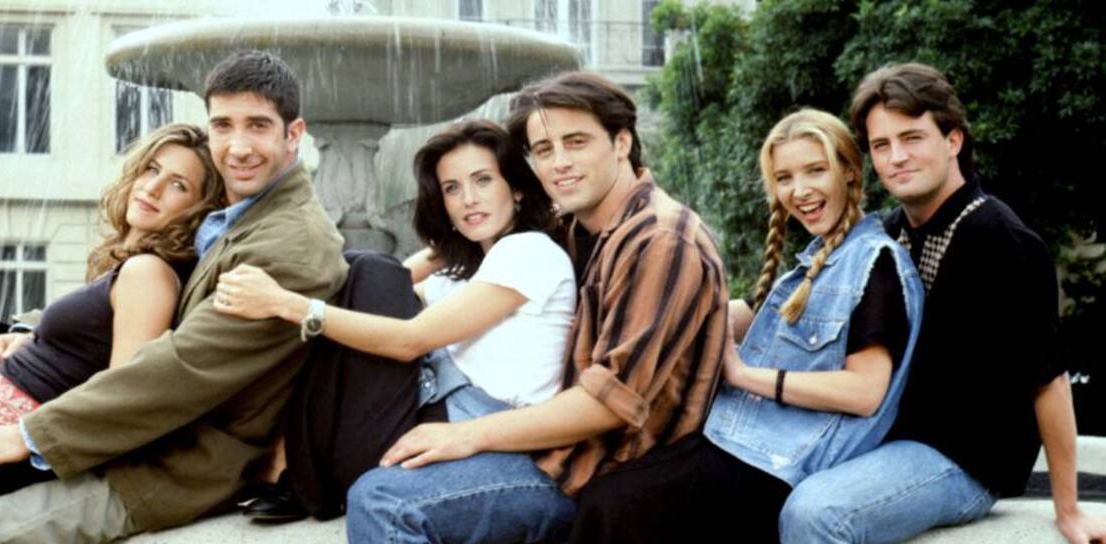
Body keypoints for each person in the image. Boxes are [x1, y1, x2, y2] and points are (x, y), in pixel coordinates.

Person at [0, 50, 349, 543]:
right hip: (143, 439)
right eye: (222, 125)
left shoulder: (290, 242)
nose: (237, 146)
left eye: (257, 126)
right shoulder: (241, 218)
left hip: (170, 466)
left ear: (293, 134)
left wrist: (29, 435)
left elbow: (184, 368)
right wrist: (26, 333)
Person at [336, 71, 731, 543]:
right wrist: (437, 249)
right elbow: (475, 238)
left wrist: (468, 436)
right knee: (364, 275)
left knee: (384, 501)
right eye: (544, 150)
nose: (559, 162)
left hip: (593, 468)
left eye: (576, 142)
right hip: (554, 447)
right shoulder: (581, 226)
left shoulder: (660, 240)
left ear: (621, 142)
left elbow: (608, 406)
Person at [779, 63, 1106, 543]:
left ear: (953, 140)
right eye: (881, 145)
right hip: (886, 440)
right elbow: (798, 301)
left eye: (912, 138)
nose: (896, 157)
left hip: (965, 462)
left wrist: (1069, 509)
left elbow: (1050, 381)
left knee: (816, 513)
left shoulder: (1003, 241)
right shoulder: (887, 233)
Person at [566, 108, 925, 543]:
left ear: (849, 172)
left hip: (782, 465)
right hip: (737, 440)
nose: (799, 190)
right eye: (784, 177)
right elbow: (745, 316)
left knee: (616, 506)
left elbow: (865, 392)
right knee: (602, 484)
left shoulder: (874, 263)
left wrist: (742, 375)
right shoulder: (813, 265)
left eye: (816, 170)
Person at [214, 118, 577, 510]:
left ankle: (289, 466)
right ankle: (292, 465)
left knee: (368, 268)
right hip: (429, 416)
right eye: (452, 189)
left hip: (478, 426)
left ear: (517, 188)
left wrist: (286, 303)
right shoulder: (464, 275)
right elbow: (385, 291)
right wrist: (447, 245)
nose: (469, 199)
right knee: (361, 271)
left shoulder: (529, 251)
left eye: (483, 180)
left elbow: (409, 340)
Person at [0, 122, 225, 520]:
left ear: (199, 211)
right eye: (151, 169)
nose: (153, 187)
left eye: (179, 185)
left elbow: (125, 397)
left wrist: (23, 447)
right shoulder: (131, 268)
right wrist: (27, 338)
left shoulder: (148, 274)